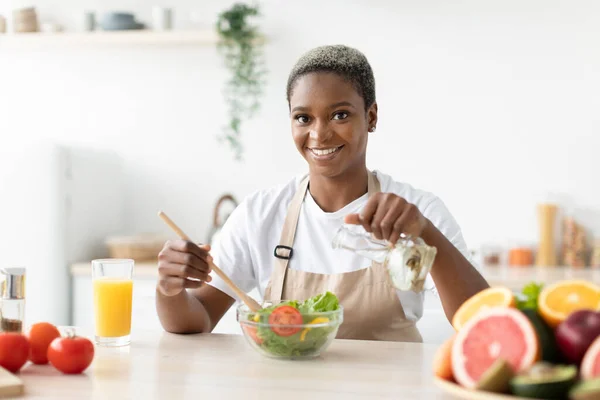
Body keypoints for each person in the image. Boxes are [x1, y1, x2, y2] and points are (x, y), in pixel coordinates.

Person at [155, 44, 489, 342]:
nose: (319, 134)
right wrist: (169, 290)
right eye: (303, 118)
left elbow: (482, 320)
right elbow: (197, 317)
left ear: (371, 117)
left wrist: (425, 234)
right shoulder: (261, 213)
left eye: (340, 115)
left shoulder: (416, 210)